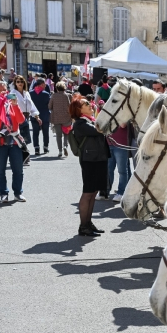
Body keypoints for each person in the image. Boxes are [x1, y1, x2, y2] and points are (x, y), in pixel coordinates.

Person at [70, 95, 109, 237]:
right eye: (87, 104)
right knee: (87, 193)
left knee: (93, 193)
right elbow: (100, 129)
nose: (90, 105)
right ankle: (83, 226)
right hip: (90, 161)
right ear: (79, 109)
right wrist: (105, 112)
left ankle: (88, 223)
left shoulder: (88, 121)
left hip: (96, 160)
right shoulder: (80, 124)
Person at [0, 81, 26, 203]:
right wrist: (0, 99)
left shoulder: (11, 104)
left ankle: (18, 193)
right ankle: (3, 193)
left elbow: (21, 120)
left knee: (18, 169)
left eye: (5, 90)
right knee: (0, 170)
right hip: (0, 142)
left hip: (14, 141)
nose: (4, 92)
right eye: (0, 90)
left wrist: (15, 105)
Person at [11, 75, 41, 164]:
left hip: (26, 117)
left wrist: (37, 116)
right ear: (15, 83)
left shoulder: (26, 93)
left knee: (25, 138)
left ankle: (24, 155)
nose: (20, 83)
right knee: (19, 138)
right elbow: (8, 105)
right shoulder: (12, 93)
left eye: (21, 81)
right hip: (16, 117)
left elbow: (32, 106)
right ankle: (22, 157)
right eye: (18, 81)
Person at [106, 123, 133, 202]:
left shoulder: (123, 112)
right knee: (109, 169)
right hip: (109, 142)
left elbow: (123, 125)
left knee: (122, 170)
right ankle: (106, 191)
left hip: (121, 144)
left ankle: (121, 192)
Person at [49, 81, 72, 158]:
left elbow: (49, 106)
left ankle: (60, 151)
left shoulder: (54, 96)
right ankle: (65, 146)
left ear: (57, 88)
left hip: (56, 117)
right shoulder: (67, 95)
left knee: (58, 135)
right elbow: (70, 106)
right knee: (66, 133)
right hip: (66, 117)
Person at [30, 79, 51, 155]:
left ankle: (36, 148)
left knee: (35, 133)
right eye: (44, 84)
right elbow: (49, 105)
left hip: (34, 115)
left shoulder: (30, 93)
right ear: (40, 85)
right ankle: (45, 148)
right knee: (45, 133)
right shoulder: (46, 94)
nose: (45, 85)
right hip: (44, 115)